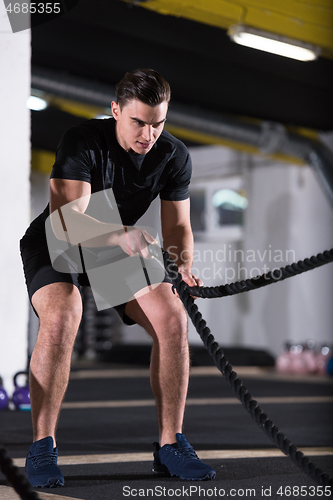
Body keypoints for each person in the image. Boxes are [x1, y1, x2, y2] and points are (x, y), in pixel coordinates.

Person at [20, 68, 216, 487]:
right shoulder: (82, 140)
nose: (149, 134)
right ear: (115, 111)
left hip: (115, 244)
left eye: (158, 123)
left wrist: (181, 267)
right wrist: (120, 234)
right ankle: (41, 446)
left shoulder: (174, 155)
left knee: (172, 316)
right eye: (139, 122)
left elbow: (178, 226)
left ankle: (170, 445)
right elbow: (67, 223)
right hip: (59, 237)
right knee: (63, 314)